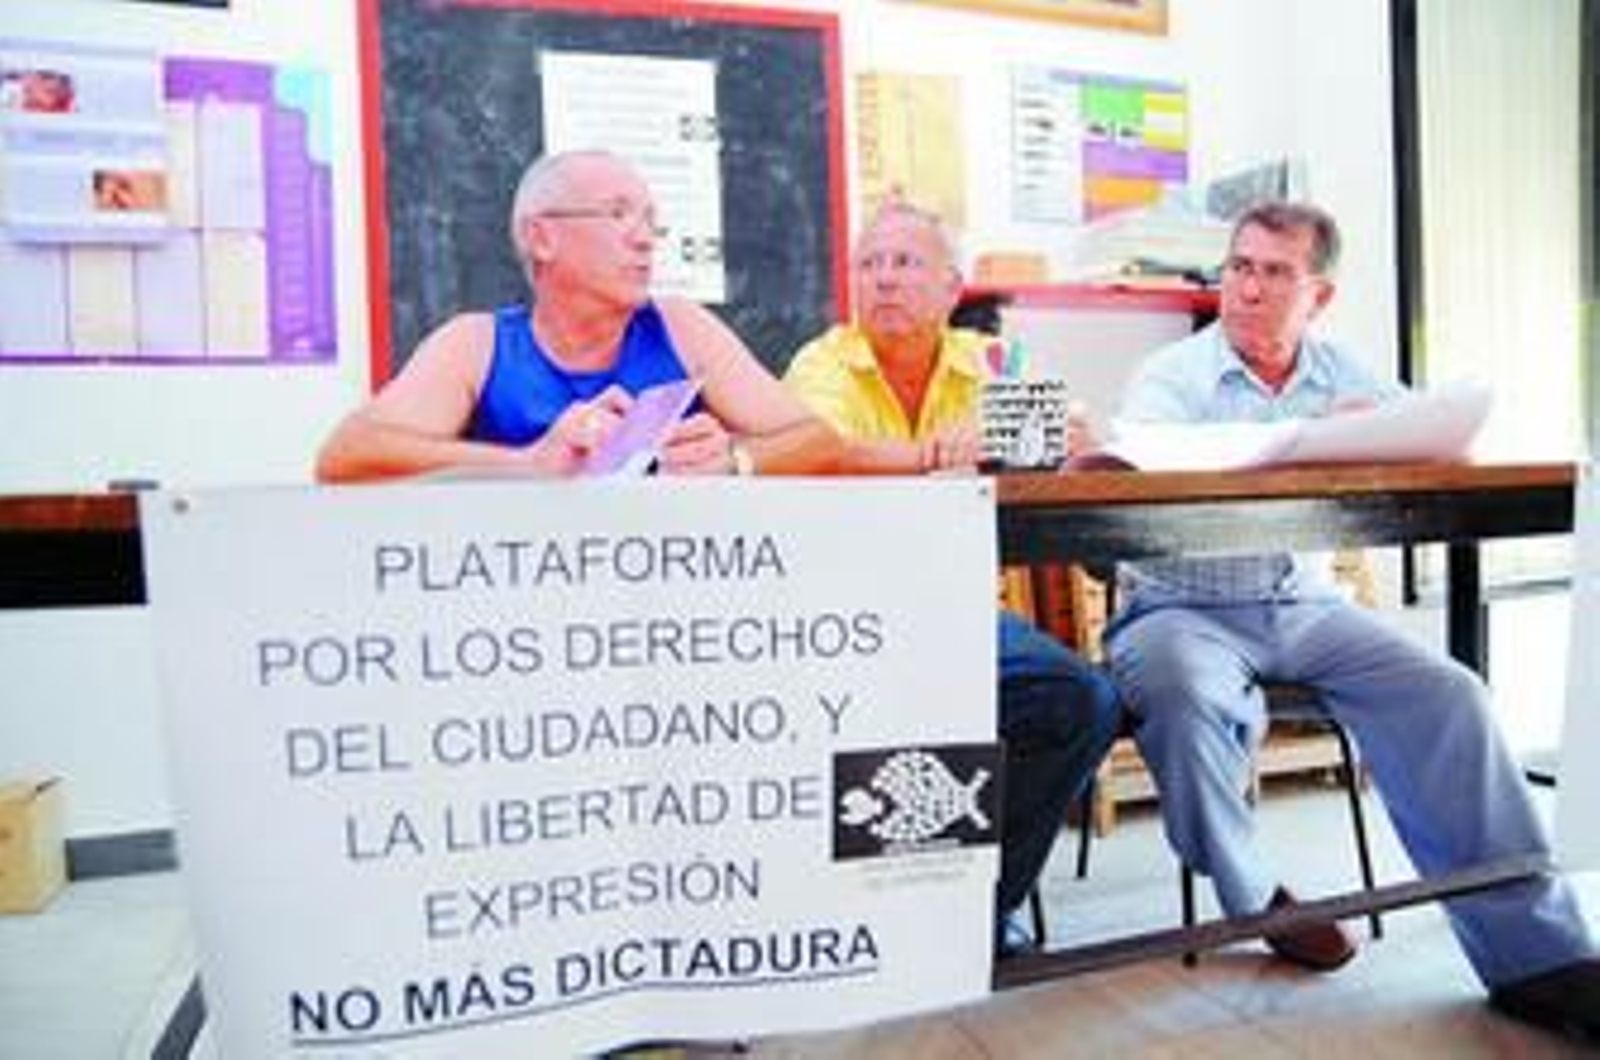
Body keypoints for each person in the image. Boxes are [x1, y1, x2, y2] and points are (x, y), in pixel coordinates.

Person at [1104, 199, 1599, 1041]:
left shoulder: (1343, 372)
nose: (1249, 288)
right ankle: (1257, 898)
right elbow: (1151, 473)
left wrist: (1376, 431)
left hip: (1302, 606)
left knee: (1451, 691)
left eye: (1274, 272)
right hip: (1177, 607)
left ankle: (1538, 957)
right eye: (1238, 267)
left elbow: (1444, 438)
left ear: (1318, 297)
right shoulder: (1170, 378)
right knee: (1186, 694)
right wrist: (1303, 437)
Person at [783, 199, 1123, 955]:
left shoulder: (990, 361)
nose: (884, 280)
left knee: (1081, 700)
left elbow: (1073, 435)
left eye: (905, 263)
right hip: (837, 618)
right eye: (869, 264)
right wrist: (945, 451)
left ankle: (978, 903)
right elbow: (821, 452)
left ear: (950, 286)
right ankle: (859, 908)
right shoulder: (824, 360)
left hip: (953, 611)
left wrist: (1025, 434)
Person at [316, 149, 841, 482]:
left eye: (650, 220)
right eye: (617, 214)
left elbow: (819, 443)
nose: (643, 238)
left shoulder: (682, 327)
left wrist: (735, 460)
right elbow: (346, 457)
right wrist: (526, 466)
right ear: (540, 237)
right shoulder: (476, 345)